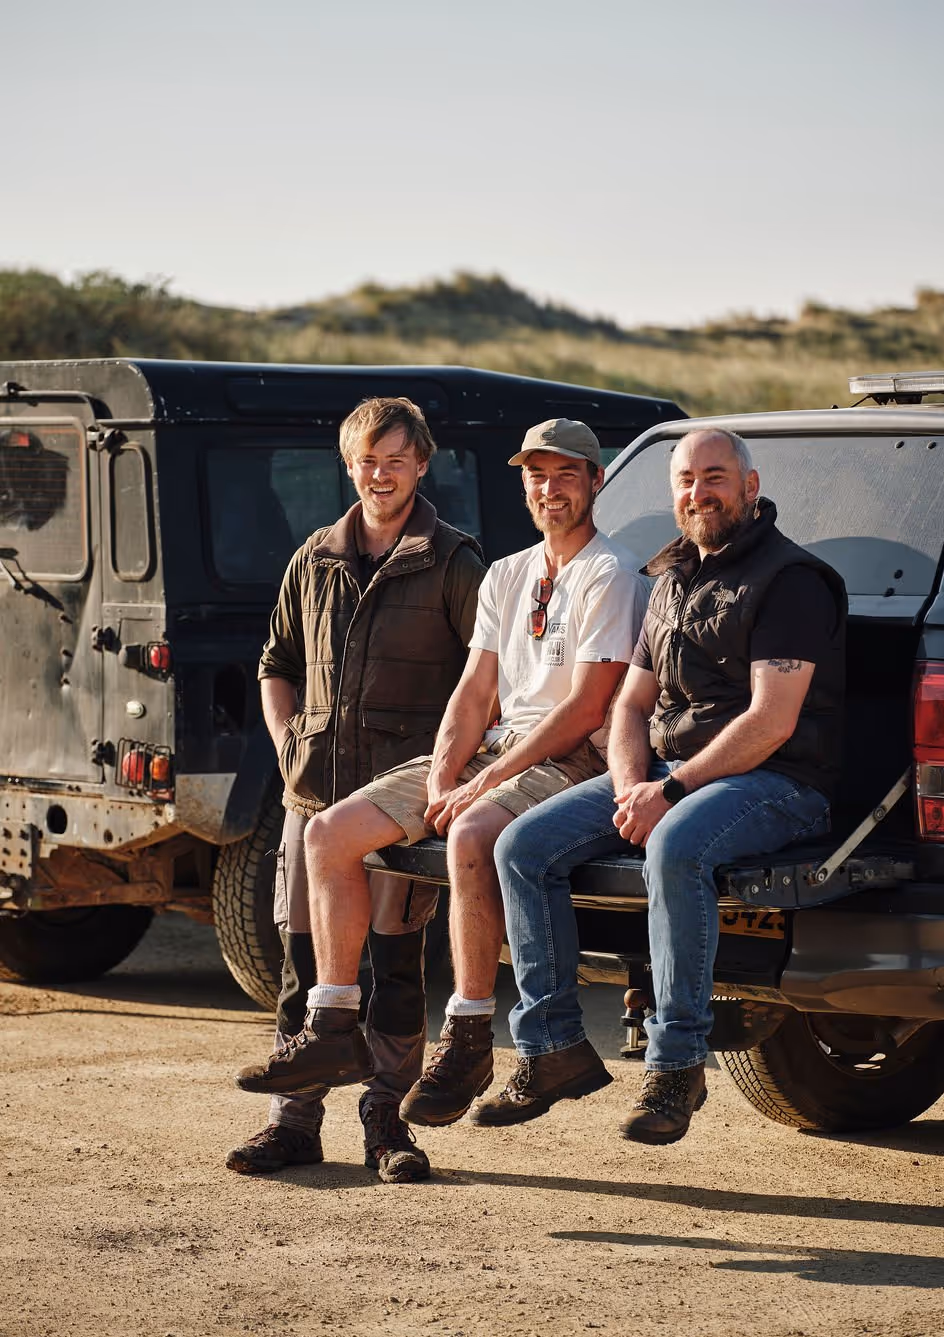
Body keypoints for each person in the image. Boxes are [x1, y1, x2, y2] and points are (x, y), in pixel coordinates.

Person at [235, 418, 650, 1128]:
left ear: (596, 481)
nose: (550, 489)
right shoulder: (507, 572)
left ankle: (468, 1035)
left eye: (567, 475)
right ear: (522, 484)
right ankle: (332, 1024)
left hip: (565, 758)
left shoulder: (608, 573)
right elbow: (472, 691)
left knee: (469, 837)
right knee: (329, 834)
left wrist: (484, 782)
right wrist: (443, 775)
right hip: (490, 749)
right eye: (537, 475)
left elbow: (586, 707)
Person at [476, 427, 847, 1144]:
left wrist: (667, 796)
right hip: (665, 773)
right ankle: (551, 1045)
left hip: (778, 780)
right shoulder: (671, 575)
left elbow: (771, 721)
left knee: (674, 844)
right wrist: (627, 782)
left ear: (750, 485)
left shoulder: (791, 580)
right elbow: (631, 706)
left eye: (714, 477)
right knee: (522, 844)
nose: (698, 492)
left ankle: (676, 1065)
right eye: (685, 480)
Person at [228, 396, 486, 1183]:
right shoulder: (313, 557)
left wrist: (450, 773)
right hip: (311, 804)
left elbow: (487, 680)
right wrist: (285, 742)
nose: (380, 474)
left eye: (395, 460)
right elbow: (275, 663)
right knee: (303, 974)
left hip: (397, 815)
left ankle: (388, 1125)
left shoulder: (452, 559)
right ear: (350, 465)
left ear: (421, 464)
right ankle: (293, 1122)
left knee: (394, 976)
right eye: (367, 460)